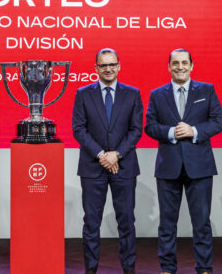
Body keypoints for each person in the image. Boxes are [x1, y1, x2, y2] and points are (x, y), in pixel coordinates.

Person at [144, 48, 222, 274]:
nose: (180, 67)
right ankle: (168, 268)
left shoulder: (207, 90)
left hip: (199, 167)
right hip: (168, 168)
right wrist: (171, 132)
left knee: (201, 222)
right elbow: (149, 126)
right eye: (175, 63)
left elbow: (219, 121)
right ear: (169, 66)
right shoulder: (157, 94)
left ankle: (204, 268)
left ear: (192, 65)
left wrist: (194, 130)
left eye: (184, 63)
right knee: (167, 224)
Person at [72, 48, 144, 274]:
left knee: (126, 223)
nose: (108, 68)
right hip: (93, 167)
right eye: (103, 65)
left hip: (124, 166)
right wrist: (102, 154)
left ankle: (129, 269)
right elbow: (79, 129)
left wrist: (117, 154)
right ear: (96, 68)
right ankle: (91, 270)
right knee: (91, 223)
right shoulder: (83, 93)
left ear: (119, 66)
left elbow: (136, 130)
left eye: (112, 64)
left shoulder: (133, 94)